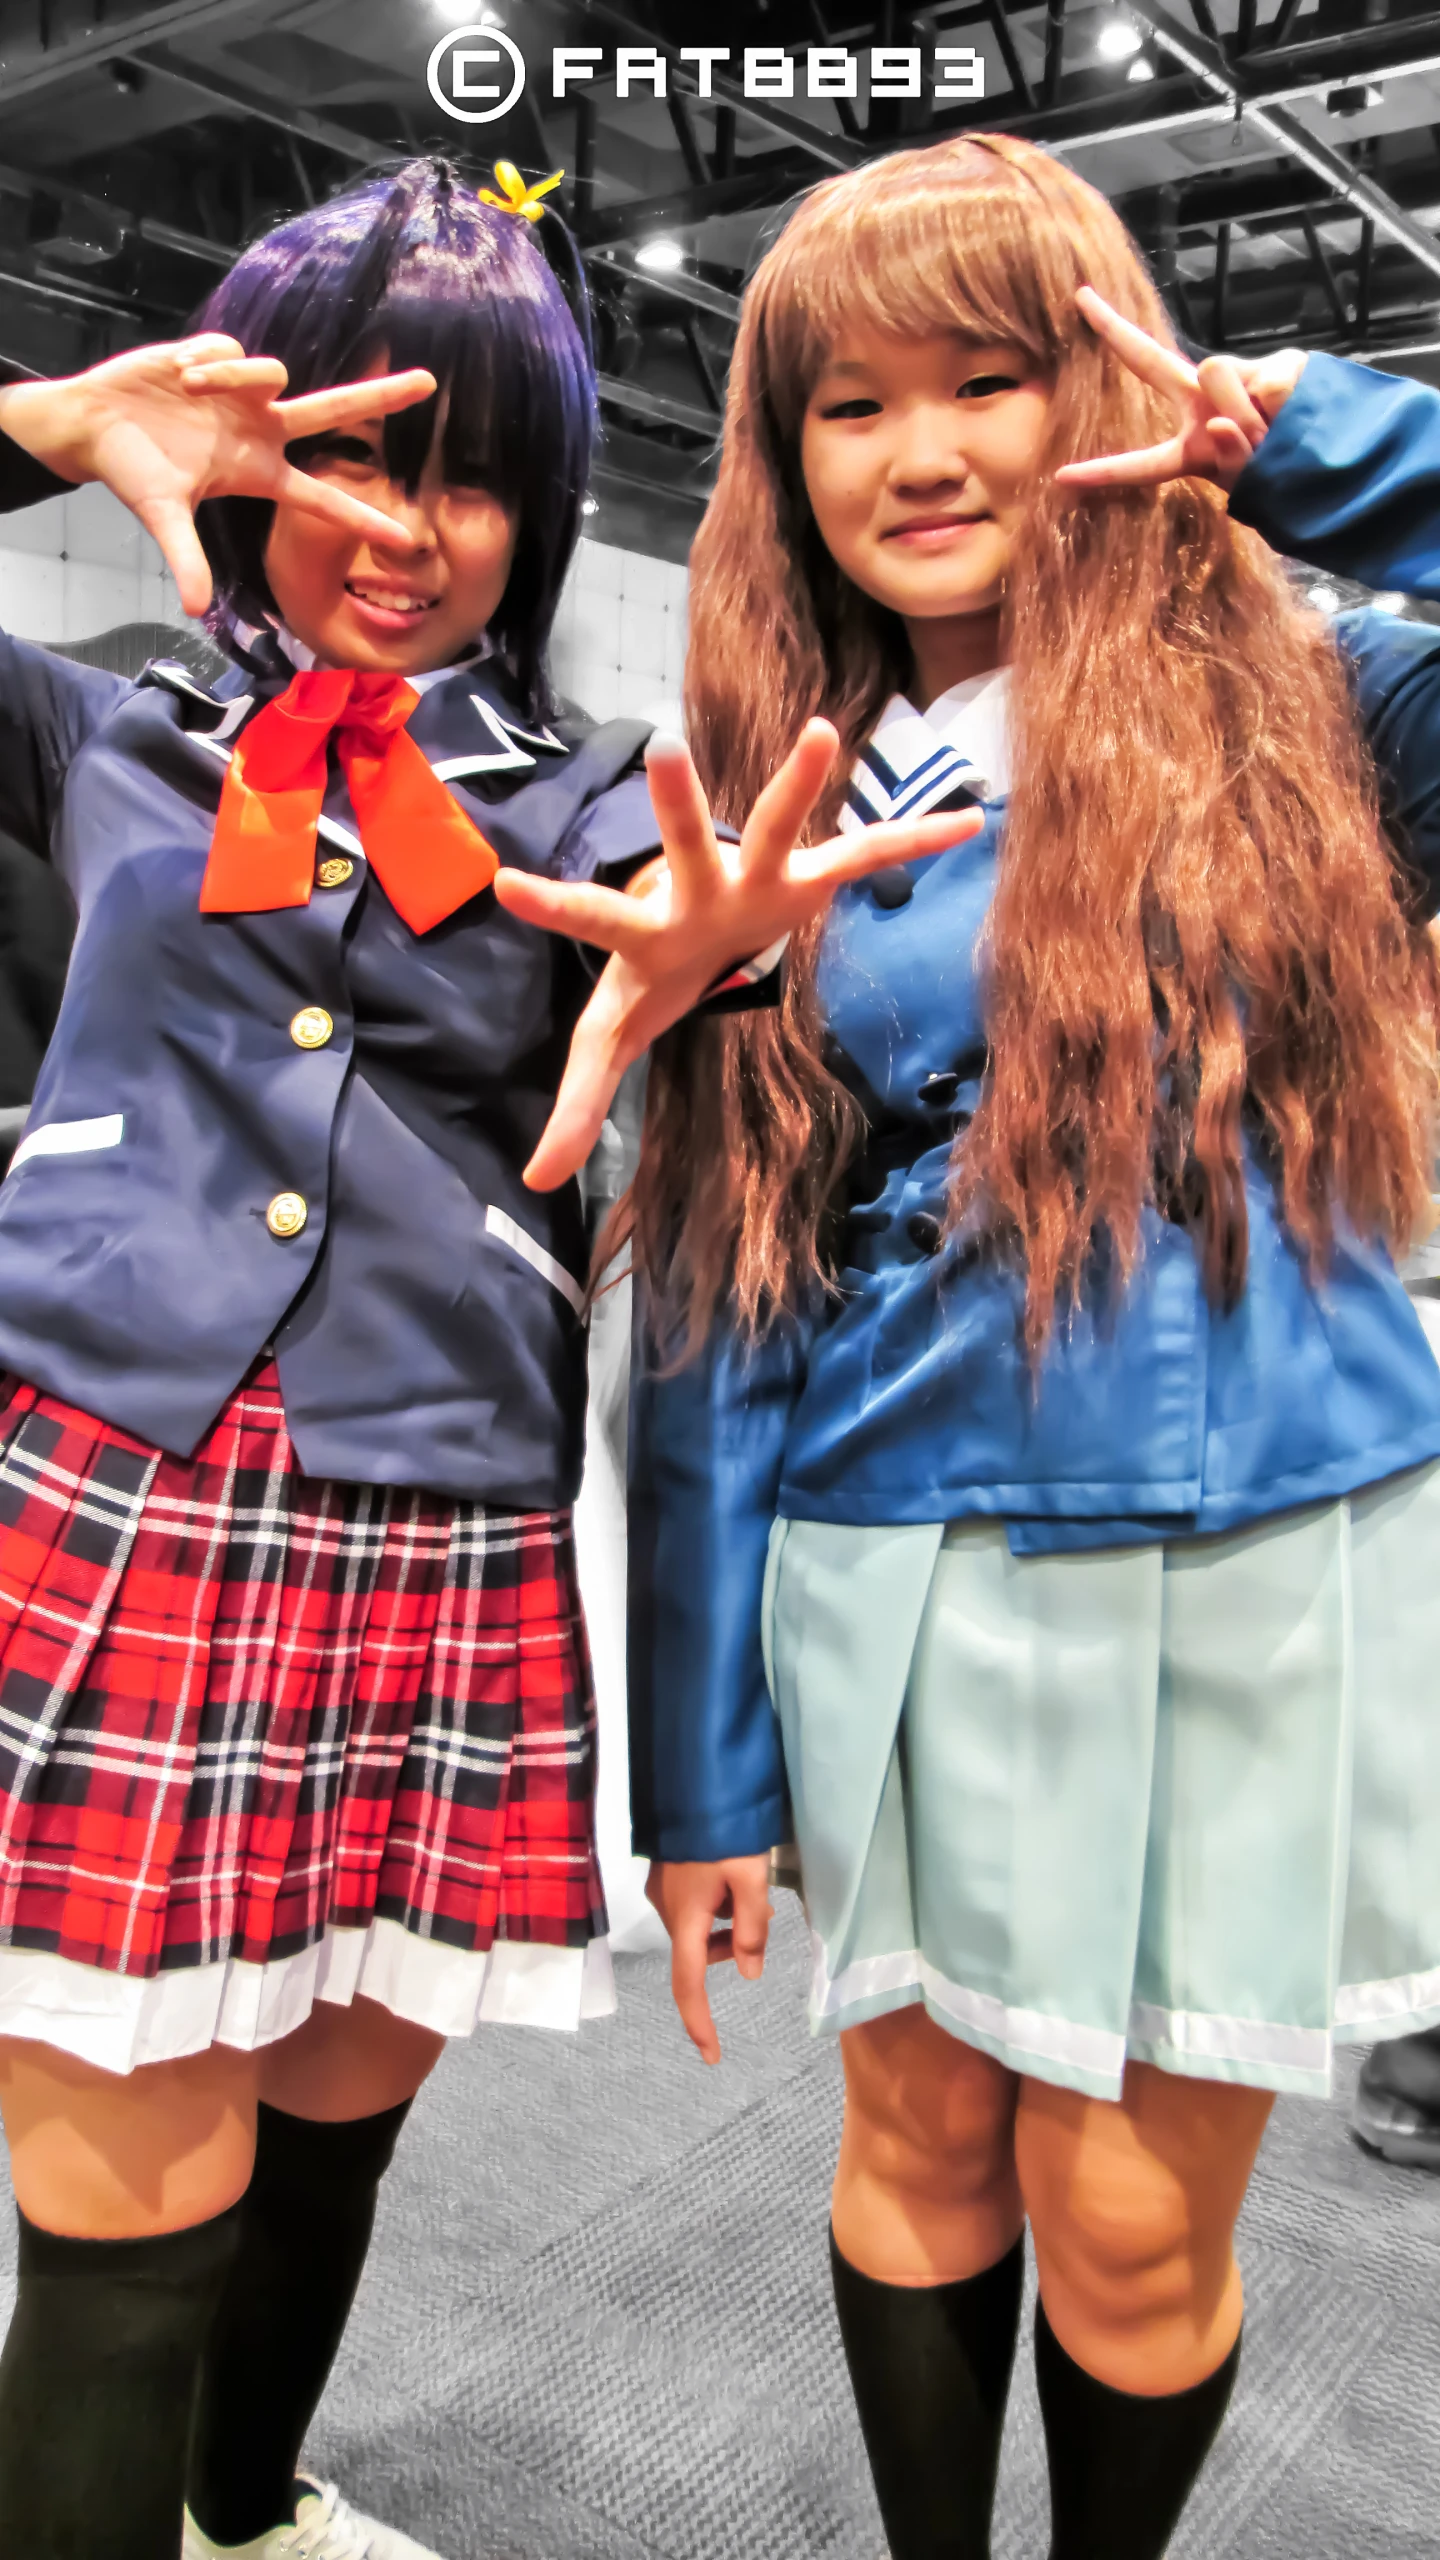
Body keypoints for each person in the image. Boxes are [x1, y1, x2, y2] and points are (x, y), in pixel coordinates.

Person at [0, 157, 966, 2560]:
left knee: (339, 2110)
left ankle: (251, 2504)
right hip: (124, 1492)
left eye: (477, 475)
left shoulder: (592, 796)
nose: (409, 526)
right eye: (350, 450)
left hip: (441, 1521)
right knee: (125, 2189)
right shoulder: (89, 724)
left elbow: (683, 939)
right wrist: (20, 418)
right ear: (247, 455)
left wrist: (728, 959)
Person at [572, 135, 1440, 2560]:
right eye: (850, 404)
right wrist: (704, 1773)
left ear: (1111, 382)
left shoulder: (1326, 701)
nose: (925, 452)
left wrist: (1324, 435)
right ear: (784, 460)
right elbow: (727, 1301)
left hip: (1268, 1554)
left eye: (995, 375)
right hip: (901, 1550)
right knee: (921, 2141)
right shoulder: (777, 803)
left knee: (1142, 2224)